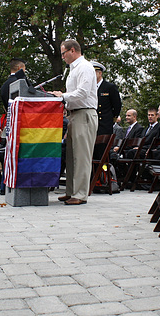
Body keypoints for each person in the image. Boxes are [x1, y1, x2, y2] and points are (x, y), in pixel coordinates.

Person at [50, 40, 98, 205]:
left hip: (84, 114)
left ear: (72, 50)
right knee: (71, 156)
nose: (62, 57)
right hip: (74, 114)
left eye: (63, 53)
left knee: (81, 156)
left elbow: (83, 93)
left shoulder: (85, 67)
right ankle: (71, 191)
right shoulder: (73, 69)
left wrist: (62, 96)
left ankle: (80, 194)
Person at [93, 61, 122, 136]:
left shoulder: (109, 87)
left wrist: (112, 119)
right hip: (92, 123)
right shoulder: (89, 88)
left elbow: (117, 105)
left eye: (94, 72)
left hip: (104, 124)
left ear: (100, 73)